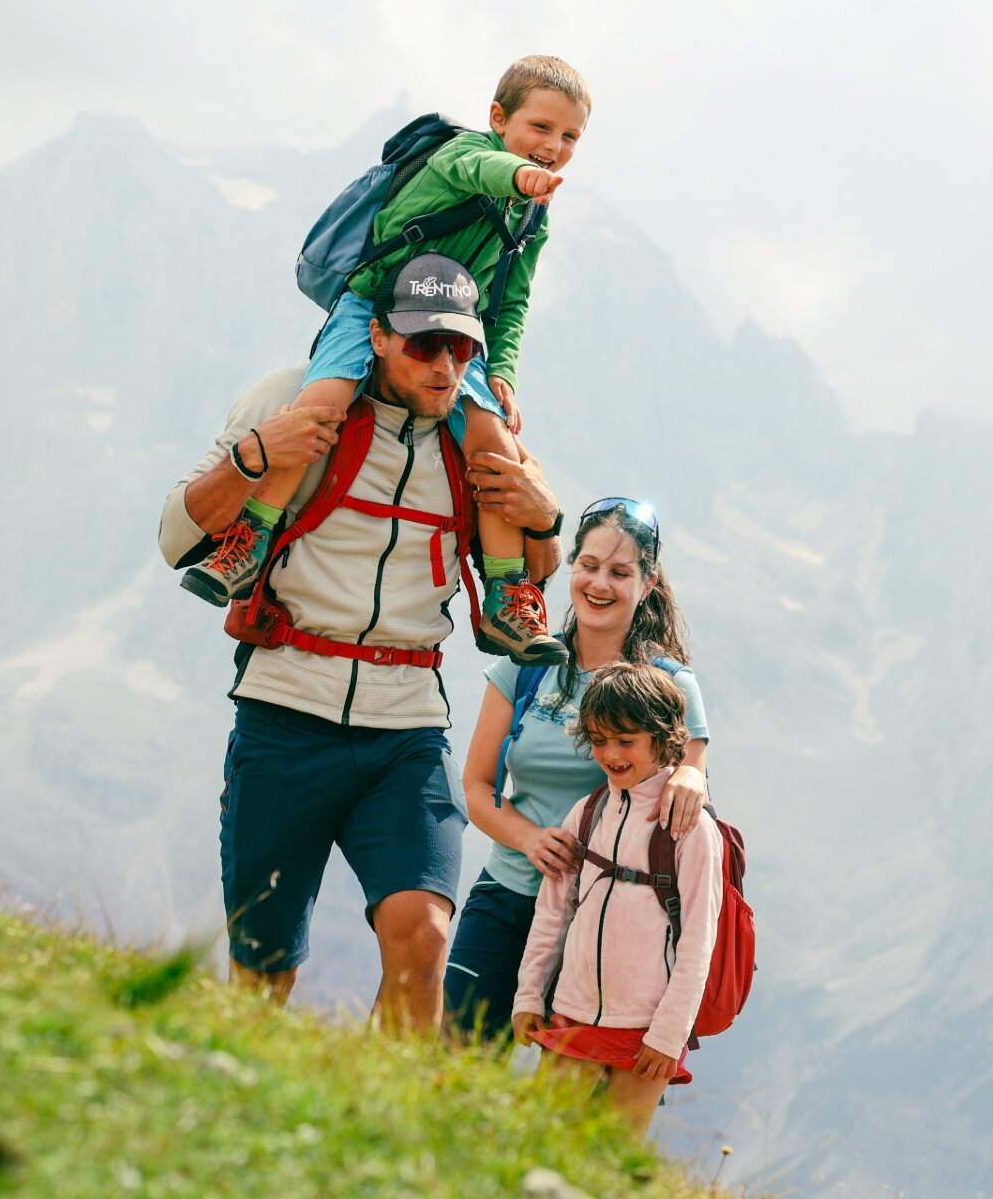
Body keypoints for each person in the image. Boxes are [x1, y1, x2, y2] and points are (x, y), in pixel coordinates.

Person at [156, 254, 568, 1034]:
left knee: (425, 933)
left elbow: (527, 588)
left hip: (405, 727)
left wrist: (547, 518)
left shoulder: (479, 434)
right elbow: (178, 537)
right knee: (264, 969)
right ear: (376, 335)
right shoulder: (293, 395)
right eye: (424, 344)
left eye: (462, 348)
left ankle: (389, 1105)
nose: (445, 367)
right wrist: (254, 456)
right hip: (283, 713)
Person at [180, 55, 593, 668]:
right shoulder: (461, 154)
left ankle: (506, 594)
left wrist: (502, 371)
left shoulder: (534, 212)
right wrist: (522, 177)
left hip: (455, 325)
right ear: (498, 118)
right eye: (541, 128)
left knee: (495, 445)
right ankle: (250, 537)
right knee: (320, 407)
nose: (554, 147)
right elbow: (485, 169)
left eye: (570, 137)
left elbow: (511, 299)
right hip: (373, 302)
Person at [442, 499, 710, 1041]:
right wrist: (530, 839)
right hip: (507, 893)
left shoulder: (672, 684)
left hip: (605, 917)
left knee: (570, 1083)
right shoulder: (523, 666)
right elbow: (476, 787)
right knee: (458, 1060)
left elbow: (690, 780)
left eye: (620, 572)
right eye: (589, 565)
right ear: (572, 567)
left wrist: (691, 776)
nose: (600, 584)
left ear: (648, 583)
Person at [511, 661, 726, 1138]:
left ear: (663, 737)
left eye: (626, 741)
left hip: (646, 1028)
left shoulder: (693, 829)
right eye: (599, 740)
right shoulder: (587, 813)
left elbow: (698, 941)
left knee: (612, 1155)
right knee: (541, 1142)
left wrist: (668, 1035)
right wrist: (529, 994)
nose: (610, 754)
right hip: (571, 1012)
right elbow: (551, 914)